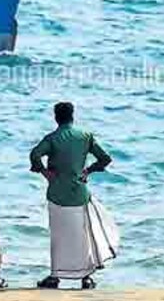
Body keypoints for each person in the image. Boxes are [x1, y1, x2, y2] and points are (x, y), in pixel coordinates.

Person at [30, 102, 118, 290]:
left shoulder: (52, 138)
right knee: (82, 236)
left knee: (58, 237)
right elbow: (105, 159)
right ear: (73, 116)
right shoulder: (85, 136)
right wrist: (88, 170)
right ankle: (86, 277)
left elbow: (35, 155)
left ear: (56, 117)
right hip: (79, 193)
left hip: (56, 193)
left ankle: (55, 277)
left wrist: (46, 173)